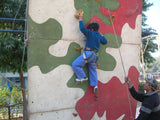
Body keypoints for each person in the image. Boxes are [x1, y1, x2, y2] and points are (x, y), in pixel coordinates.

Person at [72, 14, 107, 94]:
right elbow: (105, 42)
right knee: (92, 70)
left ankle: (82, 77)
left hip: (88, 54)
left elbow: (82, 29)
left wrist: (80, 19)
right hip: (95, 56)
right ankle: (95, 85)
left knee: (75, 64)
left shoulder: (90, 33)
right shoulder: (99, 36)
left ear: (92, 29)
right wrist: (100, 34)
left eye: (89, 29)